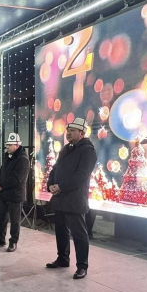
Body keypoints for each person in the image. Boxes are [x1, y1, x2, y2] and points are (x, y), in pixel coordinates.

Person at [45, 117, 97, 279]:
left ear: (81, 133)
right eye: (68, 130)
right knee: (61, 231)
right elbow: (55, 169)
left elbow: (81, 175)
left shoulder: (88, 150)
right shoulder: (66, 149)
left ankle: (82, 266)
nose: (68, 133)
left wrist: (61, 186)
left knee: (79, 234)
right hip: (60, 198)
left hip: (75, 199)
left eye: (72, 131)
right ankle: (63, 258)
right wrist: (51, 184)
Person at [0, 132, 31, 252]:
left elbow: (18, 179)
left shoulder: (23, 159)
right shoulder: (8, 157)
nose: (7, 147)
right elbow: (1, 172)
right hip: (5, 194)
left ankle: (13, 242)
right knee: (1, 218)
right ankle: (0, 239)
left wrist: (2, 185)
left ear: (17, 145)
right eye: (7, 145)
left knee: (14, 221)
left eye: (9, 145)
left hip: (15, 195)